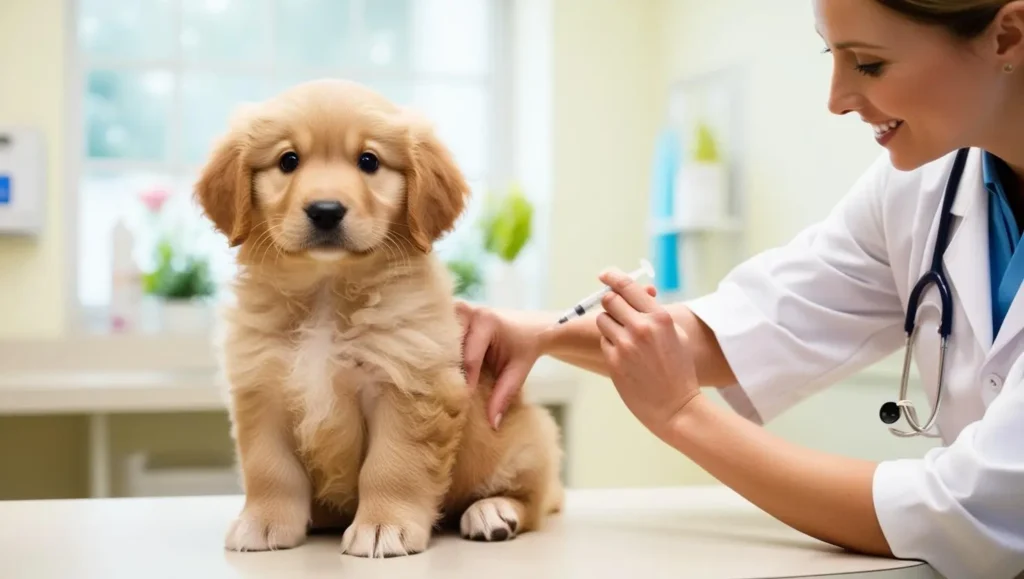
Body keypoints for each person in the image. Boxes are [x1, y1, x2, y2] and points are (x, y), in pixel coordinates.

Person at [457, 1, 1024, 577]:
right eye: (833, 56)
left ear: (1008, 35)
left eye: (869, 65)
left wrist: (683, 414)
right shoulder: (921, 185)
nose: (836, 100)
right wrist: (539, 333)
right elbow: (754, 322)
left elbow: (969, 508)